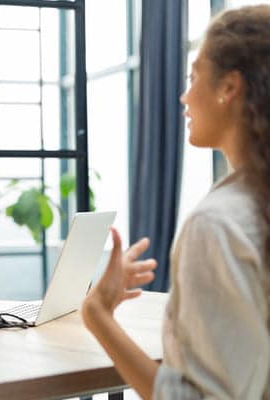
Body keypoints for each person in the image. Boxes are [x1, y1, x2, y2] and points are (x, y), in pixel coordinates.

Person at [82, 5, 270, 399]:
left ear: (229, 87)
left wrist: (98, 315)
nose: (184, 96)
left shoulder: (218, 224)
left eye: (194, 76)